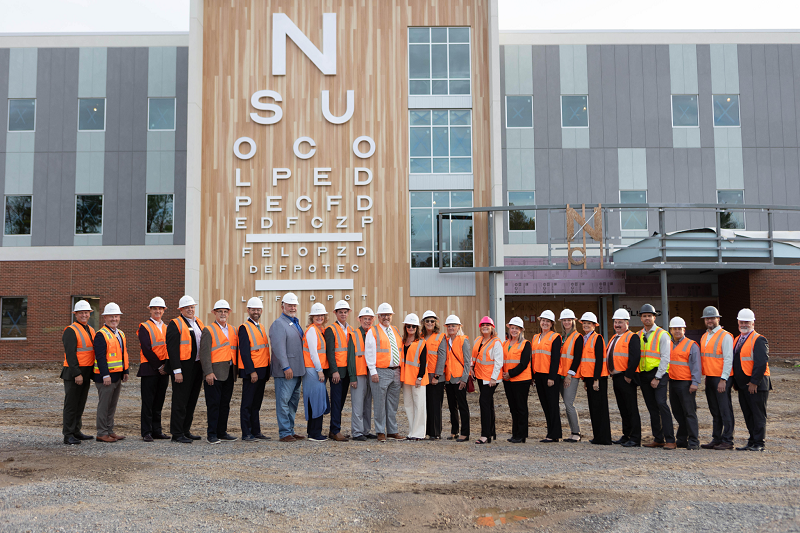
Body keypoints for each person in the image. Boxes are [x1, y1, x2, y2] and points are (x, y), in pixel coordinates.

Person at [199, 299, 239, 444]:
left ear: (229, 313)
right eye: (220, 311)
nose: (223, 314)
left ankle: (222, 432)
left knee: (225, 404)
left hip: (229, 371)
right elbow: (204, 354)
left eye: (225, 311)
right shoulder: (208, 330)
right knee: (213, 404)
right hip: (214, 373)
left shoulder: (233, 330)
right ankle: (212, 434)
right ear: (214, 313)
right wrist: (208, 372)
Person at [166, 295, 204, 444]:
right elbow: (172, 349)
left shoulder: (198, 322)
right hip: (183, 368)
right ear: (181, 309)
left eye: (192, 307)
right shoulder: (175, 324)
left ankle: (185, 430)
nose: (190, 309)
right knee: (180, 401)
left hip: (196, 367)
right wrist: (177, 370)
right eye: (187, 307)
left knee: (191, 400)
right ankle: (177, 433)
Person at [269, 292, 307, 442]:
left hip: (297, 370)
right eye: (289, 305)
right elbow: (279, 348)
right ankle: (284, 433)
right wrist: (286, 367)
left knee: (292, 403)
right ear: (282, 306)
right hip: (287, 371)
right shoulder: (279, 323)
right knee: (283, 402)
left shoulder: (293, 322)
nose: (292, 307)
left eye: (294, 305)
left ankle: (290, 430)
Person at [731, 309, 771, 452]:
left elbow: (761, 363)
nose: (744, 324)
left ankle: (759, 443)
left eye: (747, 322)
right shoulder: (737, 339)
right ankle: (752, 441)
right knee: (748, 414)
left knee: (758, 414)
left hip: (756, 385)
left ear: (753, 323)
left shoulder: (759, 339)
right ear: (738, 322)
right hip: (743, 386)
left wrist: (754, 382)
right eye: (741, 322)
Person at [637, 304, 676, 449]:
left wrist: (657, 377)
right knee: (652, 407)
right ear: (641, 318)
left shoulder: (662, 334)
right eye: (644, 316)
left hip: (658, 374)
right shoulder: (639, 335)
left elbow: (666, 358)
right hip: (644, 374)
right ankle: (658, 438)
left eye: (649, 316)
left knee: (661, 404)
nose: (647, 318)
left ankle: (670, 439)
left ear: (654, 317)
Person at [365, 303, 404, 442]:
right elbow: (369, 352)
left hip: (395, 372)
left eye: (388, 315)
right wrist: (373, 371)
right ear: (378, 316)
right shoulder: (373, 331)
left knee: (393, 404)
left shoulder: (395, 330)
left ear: (391, 316)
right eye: (383, 315)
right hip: (380, 372)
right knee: (380, 404)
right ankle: (380, 431)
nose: (386, 317)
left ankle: (392, 431)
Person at [92, 303, 130, 443]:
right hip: (105, 377)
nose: (114, 319)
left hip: (117, 375)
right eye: (111, 316)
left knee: (111, 405)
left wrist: (125, 370)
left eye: (116, 316)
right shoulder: (101, 335)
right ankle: (102, 433)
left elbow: (122, 354)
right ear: (105, 317)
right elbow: (100, 357)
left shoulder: (120, 333)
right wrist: (105, 375)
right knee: (104, 405)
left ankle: (109, 430)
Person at [699, 306, 735, 451]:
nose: (709, 321)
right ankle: (717, 438)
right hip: (710, 377)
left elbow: (728, 359)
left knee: (725, 409)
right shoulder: (705, 336)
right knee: (715, 409)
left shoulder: (725, 336)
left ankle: (728, 440)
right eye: (707, 318)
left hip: (721, 378)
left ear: (718, 319)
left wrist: (723, 379)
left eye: (712, 318)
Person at [61, 300, 97, 445]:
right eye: (81, 313)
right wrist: (77, 373)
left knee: (80, 404)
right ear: (75, 314)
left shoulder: (91, 329)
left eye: (86, 313)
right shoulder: (71, 330)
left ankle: (76, 431)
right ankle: (68, 434)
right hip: (74, 373)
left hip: (86, 372)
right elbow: (70, 354)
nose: (84, 315)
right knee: (71, 404)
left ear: (90, 314)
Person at [137, 297, 171, 442]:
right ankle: (146, 432)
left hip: (163, 369)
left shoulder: (167, 327)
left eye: (160, 309)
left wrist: (166, 366)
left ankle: (157, 431)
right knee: (148, 402)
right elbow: (146, 349)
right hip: (150, 369)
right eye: (155, 308)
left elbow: (170, 348)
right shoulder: (144, 327)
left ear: (164, 310)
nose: (158, 311)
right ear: (150, 309)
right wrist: (159, 366)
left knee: (159, 402)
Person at [607, 308, 642, 448]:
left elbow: (635, 357)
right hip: (616, 377)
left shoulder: (632, 337)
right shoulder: (614, 337)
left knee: (631, 408)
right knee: (623, 408)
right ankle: (626, 435)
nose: (617, 325)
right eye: (615, 322)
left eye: (620, 322)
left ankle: (635, 438)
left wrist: (628, 375)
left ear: (627, 323)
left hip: (626, 378)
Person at [239, 297, 271, 442]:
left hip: (262, 371)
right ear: (248, 310)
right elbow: (245, 353)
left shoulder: (261, 327)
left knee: (256, 404)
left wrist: (267, 370)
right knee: (247, 404)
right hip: (253, 372)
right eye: (253, 309)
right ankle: (246, 433)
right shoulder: (244, 328)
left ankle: (256, 431)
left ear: (261, 311)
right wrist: (251, 371)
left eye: (258, 310)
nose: (256, 312)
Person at [667, 317, 701, 450]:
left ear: (684, 330)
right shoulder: (669, 344)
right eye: (675, 329)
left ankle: (693, 441)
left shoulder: (691, 345)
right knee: (677, 412)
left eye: (679, 329)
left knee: (689, 412)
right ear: (670, 330)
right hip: (673, 382)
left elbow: (696, 365)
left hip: (686, 384)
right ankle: (682, 439)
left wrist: (695, 382)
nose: (677, 331)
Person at [578, 312, 611, 445]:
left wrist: (596, 379)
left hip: (598, 378)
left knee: (600, 408)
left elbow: (598, 360)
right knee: (593, 408)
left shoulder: (597, 338)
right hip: (590, 378)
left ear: (594, 325)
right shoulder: (585, 339)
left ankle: (604, 438)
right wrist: (586, 380)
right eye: (584, 323)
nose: (586, 325)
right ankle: (597, 436)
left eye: (588, 323)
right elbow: (586, 362)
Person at [325, 300, 355, 442]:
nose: (343, 314)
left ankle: (334, 430)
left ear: (348, 313)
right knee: (336, 402)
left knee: (342, 401)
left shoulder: (350, 329)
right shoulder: (331, 329)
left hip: (347, 372)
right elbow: (330, 352)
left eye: (345, 312)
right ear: (335, 313)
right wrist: (334, 371)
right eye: (340, 312)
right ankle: (335, 430)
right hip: (337, 372)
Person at [531, 311, 563, 443]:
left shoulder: (555, 337)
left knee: (552, 405)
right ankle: (550, 432)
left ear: (552, 324)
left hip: (550, 376)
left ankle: (554, 433)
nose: (545, 323)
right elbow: (533, 357)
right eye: (543, 320)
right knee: (545, 404)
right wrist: (532, 376)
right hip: (538, 375)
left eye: (547, 321)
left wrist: (552, 377)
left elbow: (556, 359)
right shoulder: (535, 337)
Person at [471, 316, 503, 444]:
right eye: (483, 325)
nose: (485, 327)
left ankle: (485, 435)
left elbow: (498, 362)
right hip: (479, 376)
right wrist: (471, 368)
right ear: (480, 327)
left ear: (492, 328)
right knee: (488, 404)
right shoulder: (478, 340)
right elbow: (474, 357)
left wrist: (494, 378)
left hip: (490, 379)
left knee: (484, 402)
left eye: (487, 325)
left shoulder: (496, 342)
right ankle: (491, 433)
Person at [302, 303, 331, 442]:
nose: (320, 317)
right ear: (312, 317)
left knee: (315, 400)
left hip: (314, 369)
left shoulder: (319, 330)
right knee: (316, 401)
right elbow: (314, 353)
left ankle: (312, 431)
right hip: (313, 369)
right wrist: (320, 371)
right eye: (317, 315)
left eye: (321, 315)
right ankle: (315, 433)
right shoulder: (313, 330)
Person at [502, 316, 533, 443]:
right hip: (508, 381)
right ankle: (515, 434)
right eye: (512, 328)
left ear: (521, 330)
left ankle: (522, 435)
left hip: (521, 380)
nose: (513, 330)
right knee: (513, 407)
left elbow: (524, 363)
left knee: (521, 407)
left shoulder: (526, 344)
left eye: (516, 328)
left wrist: (510, 374)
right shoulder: (505, 343)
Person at [348, 307, 376, 441]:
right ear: (359, 319)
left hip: (371, 373)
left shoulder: (375, 333)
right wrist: (352, 377)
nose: (367, 321)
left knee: (367, 404)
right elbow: (351, 358)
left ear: (373, 320)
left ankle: (366, 430)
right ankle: (357, 432)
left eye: (369, 319)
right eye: (365, 319)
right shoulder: (354, 335)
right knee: (358, 404)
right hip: (359, 374)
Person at [443, 315, 471, 442]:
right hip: (449, 379)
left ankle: (465, 433)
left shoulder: (463, 340)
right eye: (449, 326)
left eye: (453, 325)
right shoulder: (446, 341)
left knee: (462, 406)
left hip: (459, 379)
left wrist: (464, 379)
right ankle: (454, 431)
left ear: (459, 327)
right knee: (452, 406)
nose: (451, 328)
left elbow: (467, 362)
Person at [401, 313, 428, 440]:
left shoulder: (421, 342)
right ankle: (412, 431)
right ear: (405, 327)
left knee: (419, 405)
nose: (411, 328)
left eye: (413, 326)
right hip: (406, 378)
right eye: (408, 326)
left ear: (417, 328)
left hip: (417, 379)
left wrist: (420, 377)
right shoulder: (402, 341)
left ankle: (419, 433)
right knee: (408, 405)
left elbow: (423, 362)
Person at [558, 309, 584, 443]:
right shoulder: (562, 337)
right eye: (564, 320)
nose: (566, 322)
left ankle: (576, 432)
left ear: (573, 321)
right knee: (566, 404)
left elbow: (577, 357)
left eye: (569, 320)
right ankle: (573, 431)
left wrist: (569, 374)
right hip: (561, 375)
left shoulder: (577, 337)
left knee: (569, 403)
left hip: (570, 376)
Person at [420, 310, 446, 440]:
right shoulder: (419, 336)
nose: (429, 323)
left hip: (435, 376)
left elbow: (442, 357)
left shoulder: (440, 337)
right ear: (423, 323)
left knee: (435, 405)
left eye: (432, 321)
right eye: (427, 321)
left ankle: (435, 433)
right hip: (423, 375)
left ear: (435, 323)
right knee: (425, 404)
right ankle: (426, 431)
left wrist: (437, 376)